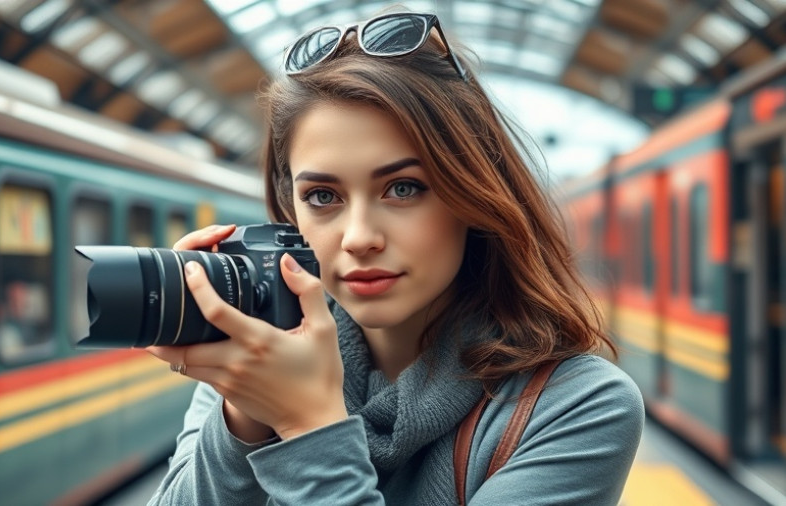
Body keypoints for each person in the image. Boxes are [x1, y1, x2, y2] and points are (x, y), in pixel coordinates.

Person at [146, 9, 643, 505]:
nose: (359, 237)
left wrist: (305, 423)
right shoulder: (259, 362)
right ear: (290, 210)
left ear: (472, 195)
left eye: (403, 188)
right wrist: (246, 417)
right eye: (322, 197)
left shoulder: (577, 407)